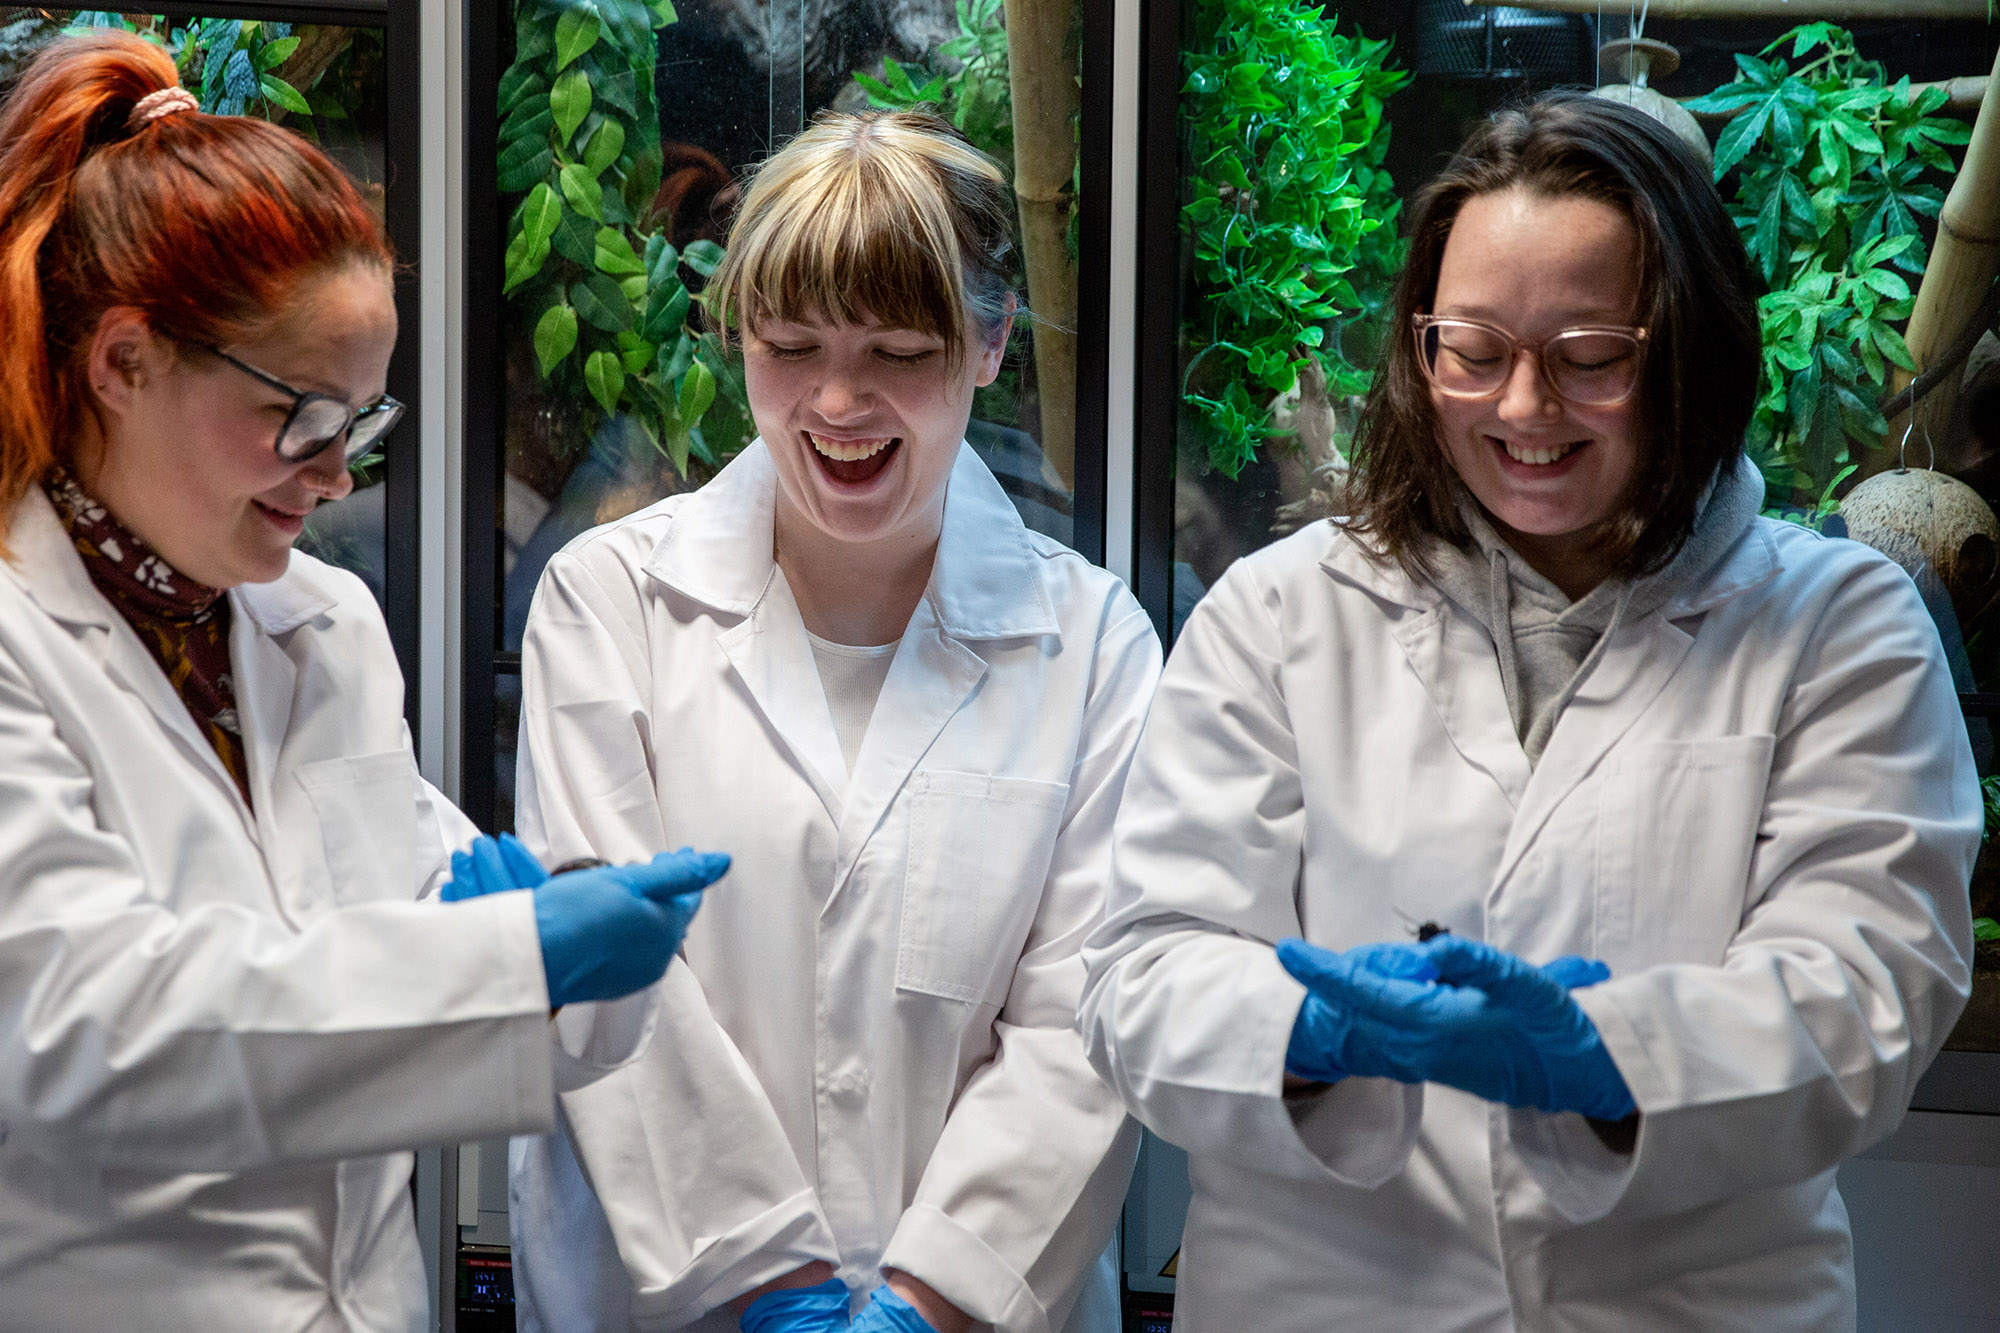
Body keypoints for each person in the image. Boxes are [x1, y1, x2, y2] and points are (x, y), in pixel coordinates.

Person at [1078, 93, 1979, 1331]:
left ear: (1690, 349)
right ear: (1416, 346)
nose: (1520, 407)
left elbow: (1869, 986)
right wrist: (1311, 1030)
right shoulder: (1279, 613)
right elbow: (1141, 970)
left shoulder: (1836, 624)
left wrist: (1610, 1055)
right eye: (1472, 350)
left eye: (1588, 357)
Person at [0, 33, 730, 1331]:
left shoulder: (323, 623)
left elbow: (409, 907)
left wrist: (555, 927)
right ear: (123, 361)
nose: (339, 476)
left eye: (362, 422)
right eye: (304, 419)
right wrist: (509, 956)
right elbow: (89, 1031)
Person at [507, 110, 1158, 1333]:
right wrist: (771, 1284)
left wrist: (924, 1302)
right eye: (789, 346)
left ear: (990, 341)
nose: (837, 401)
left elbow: (1081, 1026)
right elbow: (621, 1004)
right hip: (674, 1304)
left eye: (899, 351)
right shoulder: (612, 605)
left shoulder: (1090, 647)